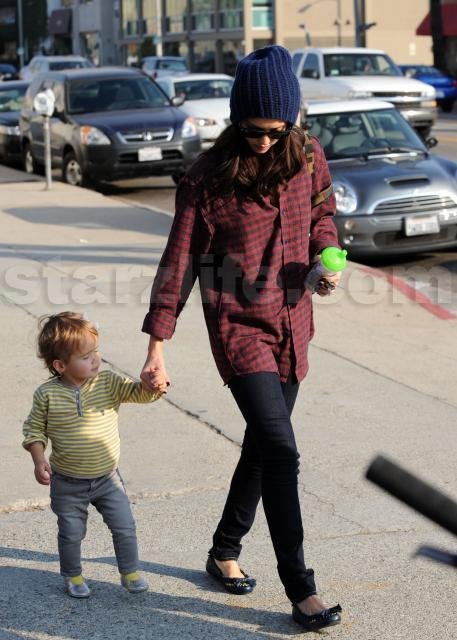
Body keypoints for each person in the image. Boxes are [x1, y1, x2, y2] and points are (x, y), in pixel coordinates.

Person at [140, 45, 342, 632]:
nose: (265, 142)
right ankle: (301, 590)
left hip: (294, 323)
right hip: (238, 325)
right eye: (254, 131)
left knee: (262, 445)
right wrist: (156, 346)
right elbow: (178, 262)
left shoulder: (307, 155)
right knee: (281, 451)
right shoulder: (207, 179)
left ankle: (223, 550)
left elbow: (324, 213)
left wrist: (324, 256)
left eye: (276, 132)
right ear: (236, 121)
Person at [22, 312, 162, 599]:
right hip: (67, 482)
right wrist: (39, 460)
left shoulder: (107, 382)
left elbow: (138, 393)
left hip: (107, 478)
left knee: (124, 526)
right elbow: (34, 429)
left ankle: (130, 571)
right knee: (71, 532)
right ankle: (73, 575)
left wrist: (153, 385)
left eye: (96, 352)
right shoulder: (47, 394)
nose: (96, 359)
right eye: (86, 357)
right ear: (60, 365)